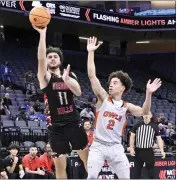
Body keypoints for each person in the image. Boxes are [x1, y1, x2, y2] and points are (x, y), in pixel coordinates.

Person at [86, 36, 162, 179]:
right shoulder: (103, 98)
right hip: (98, 145)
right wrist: (91, 52)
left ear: (123, 87)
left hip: (116, 147)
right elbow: (91, 76)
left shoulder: (126, 106)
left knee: (126, 178)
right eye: (110, 82)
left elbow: (144, 111)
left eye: (115, 82)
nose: (110, 85)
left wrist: (148, 94)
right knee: (91, 176)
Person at [33, 26, 88, 179]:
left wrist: (67, 79)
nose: (51, 58)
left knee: (87, 161)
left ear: (60, 60)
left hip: (73, 122)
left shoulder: (70, 75)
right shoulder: (45, 78)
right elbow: (40, 58)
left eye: (55, 56)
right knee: (60, 168)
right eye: (49, 56)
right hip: (55, 128)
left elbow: (78, 92)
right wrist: (43, 34)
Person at [130, 112, 165, 179]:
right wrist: (131, 148)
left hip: (149, 151)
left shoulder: (154, 126)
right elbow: (132, 137)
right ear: (142, 115)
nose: (146, 115)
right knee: (137, 172)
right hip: (138, 150)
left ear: (151, 116)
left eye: (148, 114)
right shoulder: (137, 125)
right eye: (145, 113)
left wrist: (162, 150)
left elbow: (159, 139)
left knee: (151, 172)